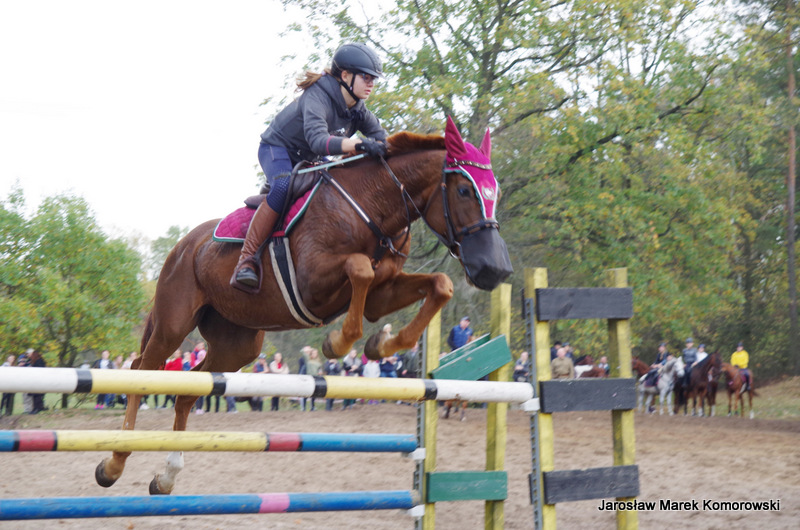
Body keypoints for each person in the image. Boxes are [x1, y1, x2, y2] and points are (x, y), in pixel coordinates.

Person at [231, 43, 388, 293]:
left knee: (338, 185)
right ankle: (246, 260)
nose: (371, 84)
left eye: (373, 79)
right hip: (278, 149)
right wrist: (359, 144)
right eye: (366, 77)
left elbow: (383, 140)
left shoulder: (358, 109)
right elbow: (318, 141)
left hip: (309, 157)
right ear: (345, 75)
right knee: (283, 185)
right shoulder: (317, 96)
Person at [27, 350, 47, 414]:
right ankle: (39, 407)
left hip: (37, 381)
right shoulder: (40, 361)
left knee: (36, 396)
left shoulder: (38, 362)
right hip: (38, 381)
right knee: (38, 396)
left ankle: (36, 408)